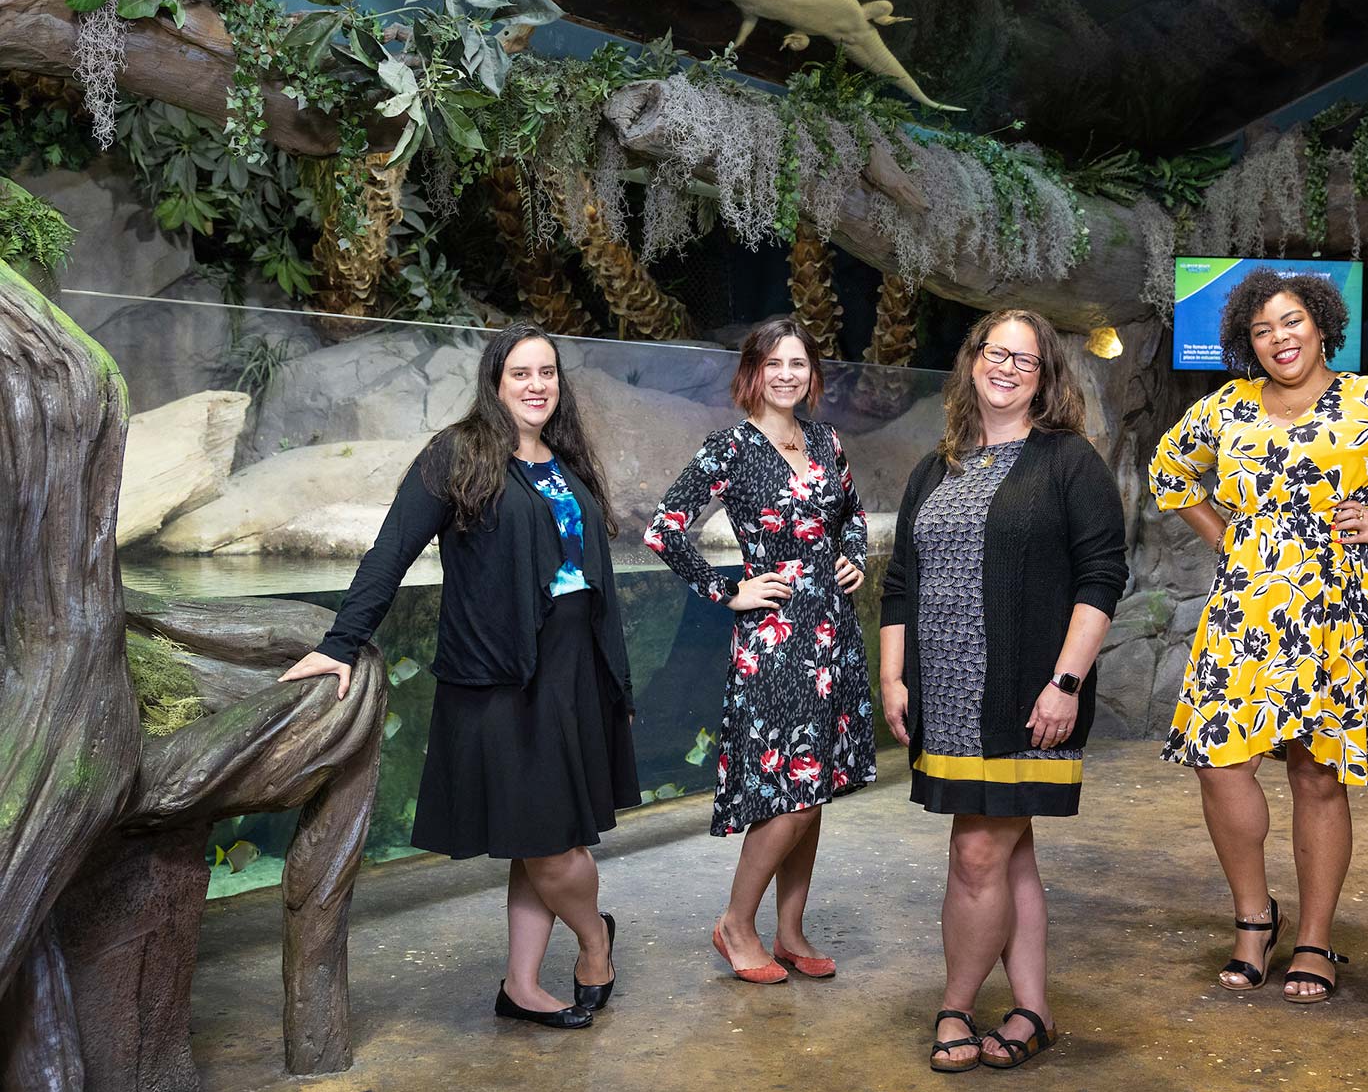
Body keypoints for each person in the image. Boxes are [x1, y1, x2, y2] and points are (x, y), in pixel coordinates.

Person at [280, 323, 637, 1030]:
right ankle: (596, 938)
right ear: (495, 381)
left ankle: (523, 984)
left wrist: (613, 682)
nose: (537, 385)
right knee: (548, 842)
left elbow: (595, 582)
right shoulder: (459, 452)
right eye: (521, 373)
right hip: (502, 679)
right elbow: (392, 551)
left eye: (548, 372)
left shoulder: (567, 461)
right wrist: (341, 642)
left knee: (538, 835)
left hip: (573, 673)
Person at [1148, 267, 1368, 1004]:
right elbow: (1169, 473)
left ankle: (1316, 937)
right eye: (1262, 329)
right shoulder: (1225, 408)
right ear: (1246, 342)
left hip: (1341, 608)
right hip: (1248, 608)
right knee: (1219, 759)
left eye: (1292, 321)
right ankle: (1253, 916)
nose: (1279, 338)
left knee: (1315, 771)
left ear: (1323, 324)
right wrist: (1228, 537)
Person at [880, 309, 1127, 1072]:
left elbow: (1102, 577)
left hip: (1027, 699)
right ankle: (1034, 1010)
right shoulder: (937, 465)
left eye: (1027, 359)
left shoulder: (1068, 461)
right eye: (997, 352)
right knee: (1010, 854)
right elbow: (898, 584)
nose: (1009, 367)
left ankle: (954, 1003)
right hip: (946, 705)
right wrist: (892, 674)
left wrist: (1066, 683)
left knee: (978, 853)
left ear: (1046, 375)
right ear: (973, 360)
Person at [644, 319, 875, 984]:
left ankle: (791, 930)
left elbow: (852, 512)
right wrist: (728, 588)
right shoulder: (731, 448)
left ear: (811, 373)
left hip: (834, 635)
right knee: (793, 793)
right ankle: (735, 923)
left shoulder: (828, 441)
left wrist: (852, 556)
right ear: (754, 370)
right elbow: (664, 528)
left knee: (818, 786)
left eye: (798, 363)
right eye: (774, 362)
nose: (786, 374)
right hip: (775, 642)